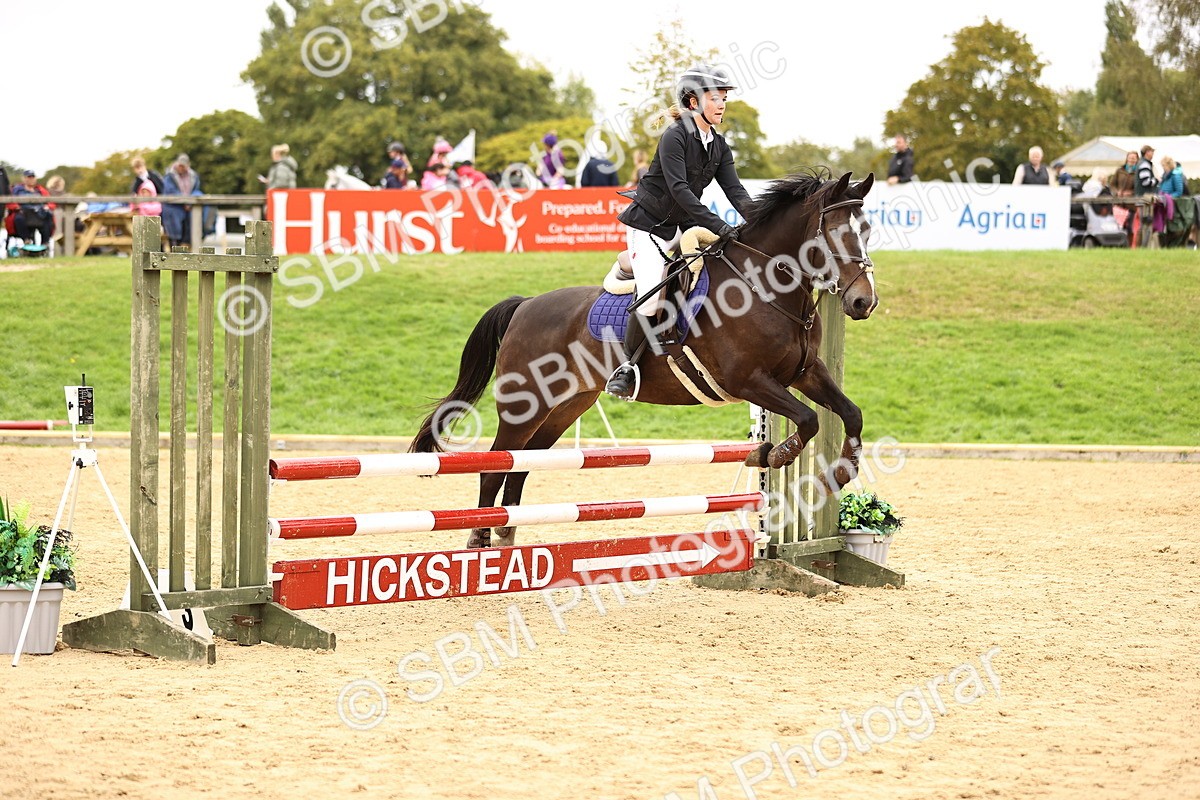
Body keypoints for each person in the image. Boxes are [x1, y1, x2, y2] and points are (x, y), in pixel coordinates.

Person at [604, 64, 755, 399]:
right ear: (692, 103)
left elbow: (736, 191)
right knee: (652, 294)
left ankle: (693, 334)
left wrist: (758, 220)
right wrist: (719, 226)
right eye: (715, 98)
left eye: (724, 98)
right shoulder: (674, 136)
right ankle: (626, 368)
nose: (722, 104)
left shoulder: (719, 144)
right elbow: (680, 191)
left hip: (685, 224)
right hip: (651, 226)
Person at [161, 154, 203, 248]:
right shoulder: (169, 176)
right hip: (173, 206)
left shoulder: (193, 176)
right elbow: (170, 192)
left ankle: (189, 243)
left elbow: (196, 190)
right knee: (174, 224)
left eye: (183, 166)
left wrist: (190, 201)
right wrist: (184, 201)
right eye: (180, 165)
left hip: (189, 206)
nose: (181, 167)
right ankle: (175, 245)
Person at [10, 169, 55, 246]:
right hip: (23, 212)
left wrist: (47, 207)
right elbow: (10, 202)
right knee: (18, 219)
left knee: (48, 216)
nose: (31, 179)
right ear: (24, 178)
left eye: (32, 177)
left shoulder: (41, 190)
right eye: (28, 177)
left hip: (39, 213)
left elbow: (51, 203)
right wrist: (17, 207)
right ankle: (26, 240)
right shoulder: (17, 190)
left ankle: (45, 243)